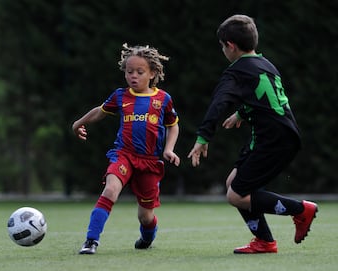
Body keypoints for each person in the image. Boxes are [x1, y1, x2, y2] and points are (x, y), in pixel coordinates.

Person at [188, 14, 317, 254]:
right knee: (232, 184)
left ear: (230, 46)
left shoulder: (236, 72)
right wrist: (241, 114)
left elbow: (218, 103)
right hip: (279, 135)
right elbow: (266, 99)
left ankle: (300, 209)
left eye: (222, 46)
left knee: (235, 195)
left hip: (274, 140)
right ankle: (265, 242)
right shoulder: (265, 64)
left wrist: (203, 137)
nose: (222, 51)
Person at [73, 43, 180, 254]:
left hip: (149, 161)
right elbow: (100, 112)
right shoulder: (121, 96)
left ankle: (148, 236)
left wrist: (169, 149)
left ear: (153, 73)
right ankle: (91, 240)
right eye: (129, 71)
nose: (134, 76)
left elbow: (173, 125)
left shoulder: (163, 99)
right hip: (124, 155)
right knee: (111, 189)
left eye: (140, 72)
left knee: (145, 217)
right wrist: (78, 123)